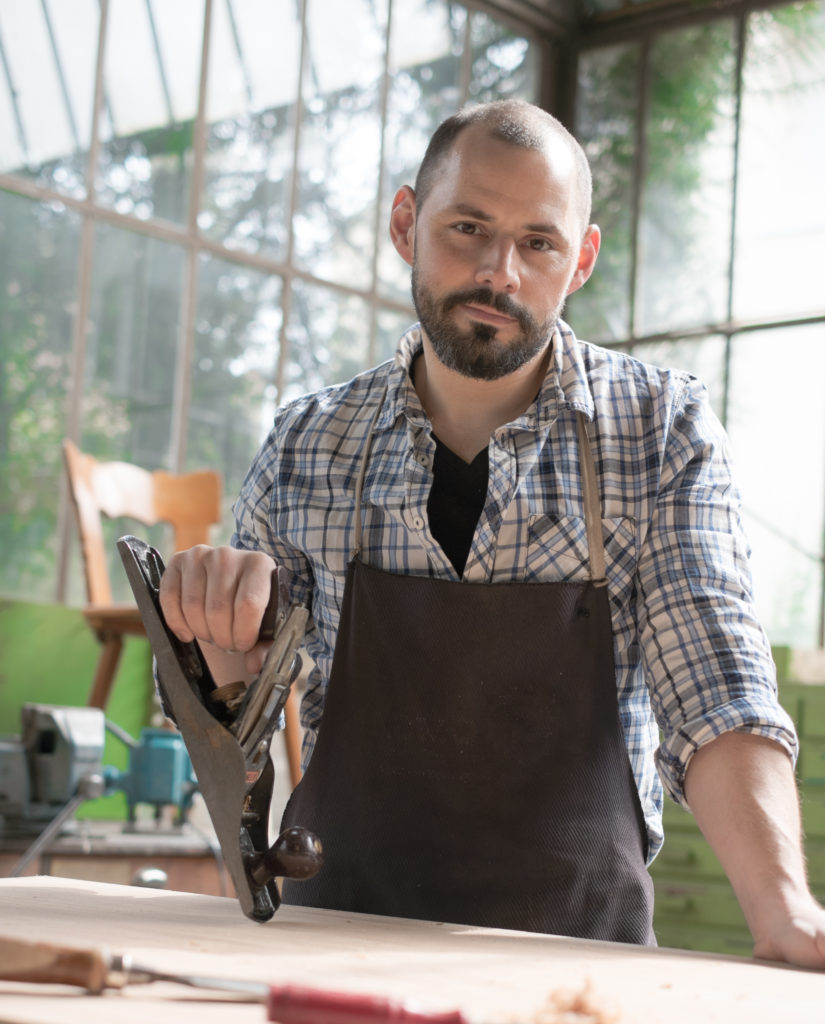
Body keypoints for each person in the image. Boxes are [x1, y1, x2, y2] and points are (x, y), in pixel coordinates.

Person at [159, 99, 825, 965]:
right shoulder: (307, 444)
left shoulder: (660, 430)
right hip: (333, 948)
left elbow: (717, 689)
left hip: (580, 967)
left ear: (579, 259)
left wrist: (784, 914)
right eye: (466, 228)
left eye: (537, 242)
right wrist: (216, 638)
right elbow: (228, 724)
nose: (498, 271)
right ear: (407, 224)